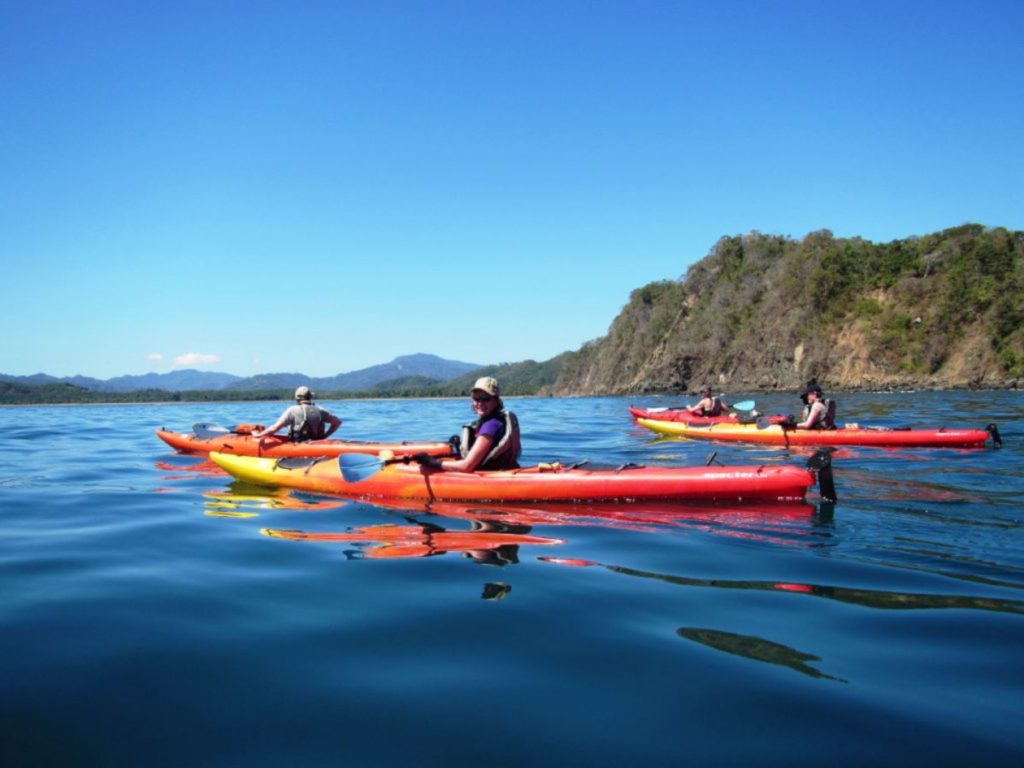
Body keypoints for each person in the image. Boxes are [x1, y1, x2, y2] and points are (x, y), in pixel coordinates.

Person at [413, 377, 521, 472]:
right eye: (476, 398)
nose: (480, 403)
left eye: (485, 398)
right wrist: (459, 446)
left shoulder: (490, 426)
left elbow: (466, 466)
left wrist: (431, 462)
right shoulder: (497, 420)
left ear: (496, 400)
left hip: (490, 478)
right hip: (503, 470)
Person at [251, 386, 341, 441]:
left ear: (297, 399)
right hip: (318, 443)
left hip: (299, 445)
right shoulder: (321, 410)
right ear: (310, 397)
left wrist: (258, 435)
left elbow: (274, 428)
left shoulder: (292, 410)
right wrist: (326, 435)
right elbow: (337, 422)